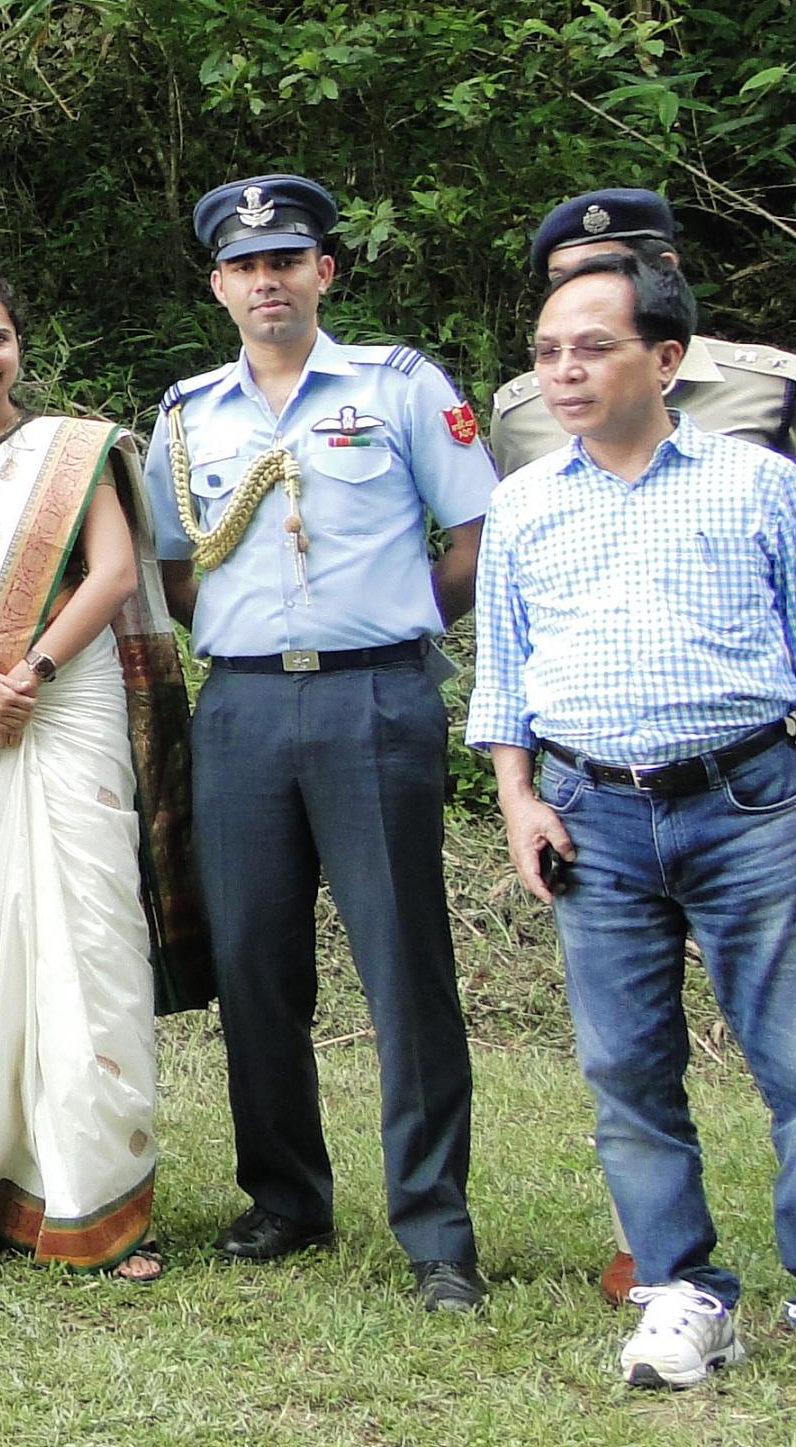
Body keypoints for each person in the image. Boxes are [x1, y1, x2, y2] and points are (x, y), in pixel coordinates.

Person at [472, 250, 796, 1411]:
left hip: (749, 806)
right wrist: (518, 797)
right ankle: (682, 1293)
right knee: (627, 1070)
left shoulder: (755, 484)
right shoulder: (523, 499)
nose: (564, 372)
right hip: (590, 815)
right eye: (546, 354)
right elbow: (503, 677)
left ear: (666, 361)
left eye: (592, 348)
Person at [141, 176, 495, 1311]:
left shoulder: (396, 388)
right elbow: (171, 563)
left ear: (323, 274)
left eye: (287, 260)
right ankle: (286, 1196)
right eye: (245, 266)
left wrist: (394, 622)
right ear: (217, 286)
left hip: (374, 703)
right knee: (253, 963)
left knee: (402, 964)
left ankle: (435, 1225)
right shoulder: (188, 415)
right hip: (243, 710)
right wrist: (244, 645)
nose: (267, 281)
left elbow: (479, 532)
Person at [0, 269, 206, 1281]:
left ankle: (89, 1202)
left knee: (87, 944)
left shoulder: (73, 450)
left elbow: (108, 572)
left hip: (68, 704)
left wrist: (30, 672)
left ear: (20, 347)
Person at [486, 190, 796, 532]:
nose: (581, 291)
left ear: (664, 269)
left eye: (606, 270)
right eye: (561, 279)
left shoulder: (771, 388)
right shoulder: (523, 413)